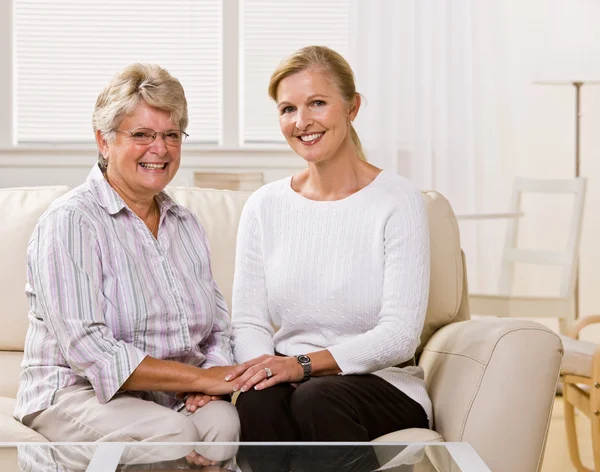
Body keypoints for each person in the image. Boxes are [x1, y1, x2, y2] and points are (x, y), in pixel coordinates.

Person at [14, 64, 239, 463]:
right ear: (104, 141)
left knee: (221, 423)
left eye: (172, 135)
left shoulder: (186, 224)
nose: (161, 148)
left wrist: (212, 383)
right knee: (175, 432)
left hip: (169, 394)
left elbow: (218, 328)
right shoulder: (71, 222)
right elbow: (91, 351)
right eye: (142, 135)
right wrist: (200, 378)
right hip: (74, 392)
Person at [221, 45, 432, 470]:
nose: (302, 122)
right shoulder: (264, 206)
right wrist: (264, 371)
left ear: (352, 107)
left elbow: (400, 335)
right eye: (288, 108)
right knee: (259, 404)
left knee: (316, 398)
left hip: (380, 382)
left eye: (317, 103)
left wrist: (300, 366)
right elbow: (248, 321)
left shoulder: (399, 200)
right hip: (290, 378)